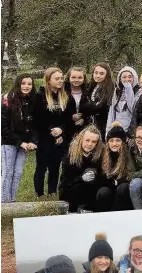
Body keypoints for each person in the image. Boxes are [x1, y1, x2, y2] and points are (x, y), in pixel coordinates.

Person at [34, 67, 71, 197]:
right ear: (49, 80)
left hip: (60, 137)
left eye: (62, 78)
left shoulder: (66, 96)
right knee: (41, 166)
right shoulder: (40, 96)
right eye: (57, 78)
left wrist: (61, 130)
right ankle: (39, 193)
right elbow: (38, 119)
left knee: (55, 167)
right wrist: (51, 131)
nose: (60, 81)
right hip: (44, 137)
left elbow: (68, 118)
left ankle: (52, 191)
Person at [1, 74, 37, 203]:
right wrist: (19, 142)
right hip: (9, 143)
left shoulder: (33, 101)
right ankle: (4, 203)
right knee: (7, 173)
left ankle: (12, 201)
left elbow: (35, 125)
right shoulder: (7, 100)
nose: (26, 86)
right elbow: (3, 128)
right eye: (23, 83)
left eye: (29, 84)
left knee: (18, 173)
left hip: (25, 144)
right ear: (17, 84)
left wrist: (33, 141)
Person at [59, 125, 104, 213]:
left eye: (94, 142)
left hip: (92, 193)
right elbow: (65, 182)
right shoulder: (70, 156)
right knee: (78, 186)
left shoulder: (100, 156)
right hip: (72, 193)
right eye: (87, 140)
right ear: (81, 139)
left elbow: (103, 177)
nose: (90, 144)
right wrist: (81, 178)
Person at [97, 123, 135, 211]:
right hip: (110, 188)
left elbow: (131, 174)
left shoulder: (129, 154)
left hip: (124, 190)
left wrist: (117, 182)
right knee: (103, 192)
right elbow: (101, 176)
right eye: (111, 140)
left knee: (123, 188)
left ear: (123, 142)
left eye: (118, 140)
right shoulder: (104, 154)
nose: (114, 144)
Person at [107, 66, 142, 136]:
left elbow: (133, 109)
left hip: (131, 130)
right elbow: (112, 112)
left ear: (134, 78)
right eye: (124, 77)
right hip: (117, 129)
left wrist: (129, 90)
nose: (127, 79)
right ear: (120, 79)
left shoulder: (140, 92)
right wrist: (108, 130)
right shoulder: (117, 91)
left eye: (130, 77)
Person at [83, 62, 114, 140]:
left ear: (106, 75)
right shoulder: (91, 85)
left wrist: (85, 107)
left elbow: (100, 107)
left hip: (103, 126)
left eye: (101, 73)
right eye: (96, 73)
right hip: (90, 124)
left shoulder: (110, 89)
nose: (98, 75)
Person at [64, 67, 88, 139]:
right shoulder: (62, 91)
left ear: (84, 79)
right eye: (73, 77)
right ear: (68, 78)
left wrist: (84, 118)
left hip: (84, 129)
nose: (76, 80)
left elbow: (91, 110)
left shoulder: (88, 91)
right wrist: (70, 116)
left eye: (80, 77)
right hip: (66, 129)